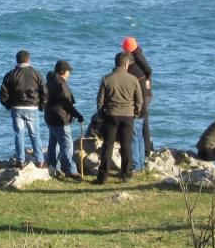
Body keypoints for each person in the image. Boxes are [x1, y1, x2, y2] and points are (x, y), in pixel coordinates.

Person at [94, 53, 144, 184]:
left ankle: (103, 176)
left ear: (115, 63)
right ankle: (126, 174)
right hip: (128, 116)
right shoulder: (133, 79)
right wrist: (136, 113)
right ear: (127, 64)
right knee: (126, 145)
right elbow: (139, 100)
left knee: (108, 145)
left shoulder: (107, 79)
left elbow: (100, 100)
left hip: (111, 115)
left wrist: (101, 114)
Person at [0, 50, 47, 168]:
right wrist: (42, 105)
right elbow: (44, 91)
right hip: (32, 107)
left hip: (16, 108)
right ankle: (40, 160)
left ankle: (20, 160)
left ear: (17, 60)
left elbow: (3, 93)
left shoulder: (11, 74)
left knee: (19, 134)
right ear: (29, 60)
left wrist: (8, 105)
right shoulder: (36, 73)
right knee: (35, 135)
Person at [44, 60, 84, 177]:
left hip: (50, 117)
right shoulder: (61, 84)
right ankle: (70, 169)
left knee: (53, 143)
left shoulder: (49, 81)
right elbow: (67, 103)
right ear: (62, 72)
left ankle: (52, 166)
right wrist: (78, 115)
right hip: (61, 118)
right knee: (67, 145)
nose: (69, 74)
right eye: (68, 71)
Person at [122, 36, 154, 168]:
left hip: (144, 94)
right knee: (143, 123)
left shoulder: (138, 57)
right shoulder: (137, 54)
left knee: (142, 123)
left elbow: (148, 70)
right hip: (146, 93)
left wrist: (147, 80)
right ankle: (144, 153)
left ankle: (146, 151)